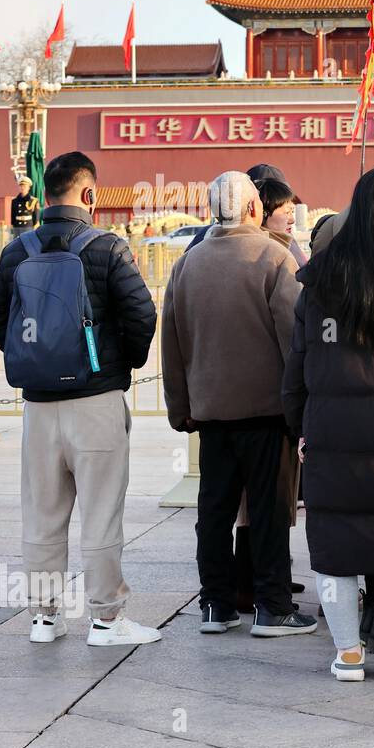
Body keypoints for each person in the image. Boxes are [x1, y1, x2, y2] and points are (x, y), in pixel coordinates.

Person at [0, 151, 160, 646]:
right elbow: (142, 316)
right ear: (89, 195)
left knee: (42, 513)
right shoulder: (108, 247)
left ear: (46, 196)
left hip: (38, 408)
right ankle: (106, 620)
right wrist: (117, 364)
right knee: (101, 512)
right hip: (96, 403)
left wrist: (37, 361)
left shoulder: (19, 250)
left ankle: (44, 618)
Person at [282, 167, 374, 682]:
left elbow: (297, 365)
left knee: (334, 544)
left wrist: (300, 427)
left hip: (331, 432)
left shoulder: (321, 277)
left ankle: (347, 653)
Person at [161, 171, 314, 638]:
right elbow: (295, 341)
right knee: (268, 513)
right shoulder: (274, 257)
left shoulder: (188, 264)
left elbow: (172, 344)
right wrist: (302, 409)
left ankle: (216, 605)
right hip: (267, 413)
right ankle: (273, 607)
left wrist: (179, 407)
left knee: (214, 511)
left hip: (210, 414)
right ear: (254, 209)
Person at [258, 178, 307, 267]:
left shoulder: (287, 240)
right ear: (263, 213)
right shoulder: (262, 252)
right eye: (287, 212)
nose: (292, 220)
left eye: (292, 211)